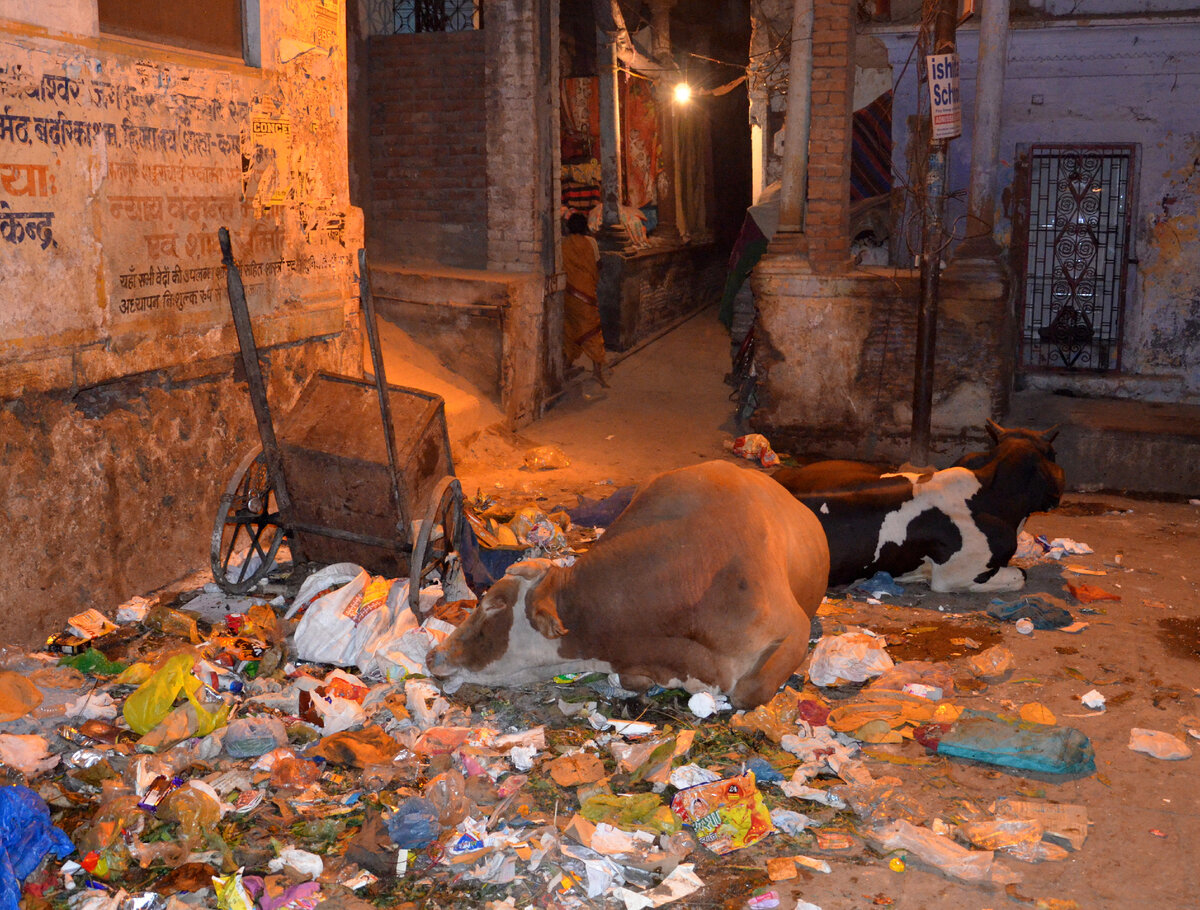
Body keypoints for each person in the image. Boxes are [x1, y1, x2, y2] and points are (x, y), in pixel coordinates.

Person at [561, 213, 609, 387]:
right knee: (593, 332)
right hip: (587, 295)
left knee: (570, 330)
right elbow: (598, 265)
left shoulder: (563, 244)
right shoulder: (591, 242)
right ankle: (597, 371)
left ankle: (565, 366)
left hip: (569, 294)